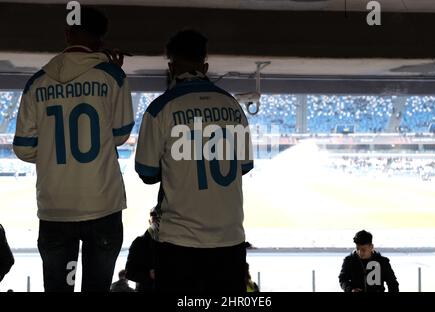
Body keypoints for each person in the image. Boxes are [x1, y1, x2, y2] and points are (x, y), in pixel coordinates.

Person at [13, 7, 134, 292]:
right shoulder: (113, 77)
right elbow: (119, 136)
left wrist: (51, 156)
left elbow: (22, 148)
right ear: (101, 41)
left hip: (55, 208)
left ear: (67, 34)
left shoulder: (37, 82)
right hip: (103, 206)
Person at [135, 29, 254, 293]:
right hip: (229, 239)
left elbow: (146, 173)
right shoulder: (232, 106)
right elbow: (243, 166)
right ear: (206, 66)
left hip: (179, 241)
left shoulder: (160, 108)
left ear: (171, 67)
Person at [125, 210, 158, 292]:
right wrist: (149, 275)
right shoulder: (139, 242)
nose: (157, 221)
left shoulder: (175, 241)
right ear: (149, 221)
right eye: (154, 218)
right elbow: (129, 272)